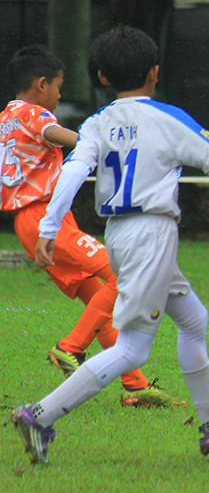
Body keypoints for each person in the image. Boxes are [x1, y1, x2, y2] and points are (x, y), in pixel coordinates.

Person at [10, 26, 209, 465]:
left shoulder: (96, 123)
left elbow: (71, 173)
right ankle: (39, 415)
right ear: (155, 72)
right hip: (152, 233)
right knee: (132, 349)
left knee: (194, 319)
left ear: (102, 77)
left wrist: (49, 226)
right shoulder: (168, 118)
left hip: (120, 234)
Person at [0, 44, 184, 408]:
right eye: (58, 86)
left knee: (96, 295)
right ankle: (69, 348)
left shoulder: (6, 116)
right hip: (42, 217)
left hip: (31, 220)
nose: (60, 95)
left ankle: (135, 386)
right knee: (125, 275)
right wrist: (104, 145)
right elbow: (63, 137)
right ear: (41, 84)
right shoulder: (33, 115)